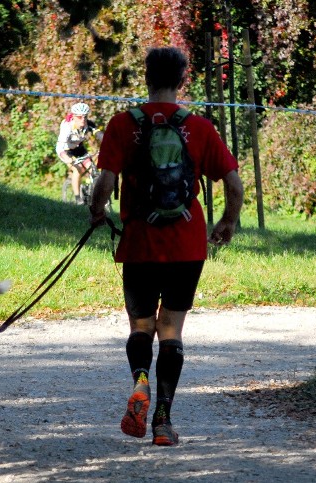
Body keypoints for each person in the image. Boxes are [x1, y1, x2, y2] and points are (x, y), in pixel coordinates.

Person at [89, 46, 244, 446]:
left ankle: (140, 381)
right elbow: (233, 184)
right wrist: (227, 220)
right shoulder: (200, 127)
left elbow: (105, 182)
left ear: (146, 77)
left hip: (140, 241)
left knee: (140, 327)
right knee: (170, 329)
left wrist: (96, 211)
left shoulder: (124, 123)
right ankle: (162, 421)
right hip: (187, 244)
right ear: (182, 79)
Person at [56, 102, 104, 204]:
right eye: (79, 117)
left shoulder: (88, 124)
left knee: (94, 171)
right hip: (67, 151)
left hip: (80, 149)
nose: (83, 119)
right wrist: (66, 158)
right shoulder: (67, 127)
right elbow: (59, 148)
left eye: (85, 117)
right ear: (73, 116)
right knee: (78, 169)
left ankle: (92, 195)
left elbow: (99, 135)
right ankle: (78, 199)